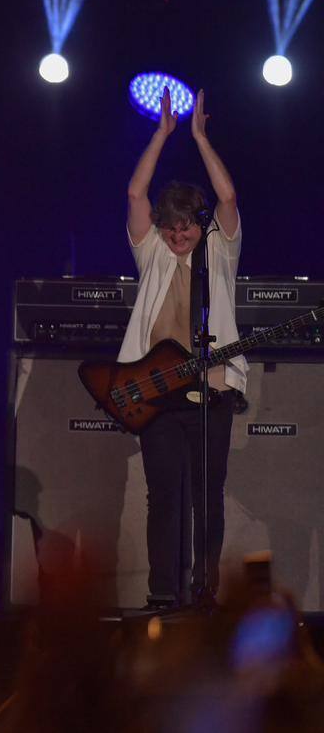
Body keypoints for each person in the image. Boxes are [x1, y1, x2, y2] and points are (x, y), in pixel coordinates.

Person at [121, 87, 245, 608]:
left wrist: (198, 137)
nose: (177, 236)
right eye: (169, 228)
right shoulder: (150, 252)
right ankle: (163, 592)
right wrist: (161, 133)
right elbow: (134, 194)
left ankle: (206, 590)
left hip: (211, 390)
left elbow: (229, 198)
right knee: (163, 496)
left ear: (200, 226)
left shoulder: (219, 250)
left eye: (185, 227)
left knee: (206, 496)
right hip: (156, 392)